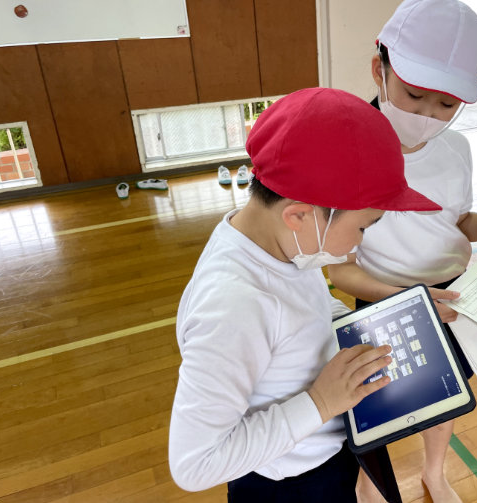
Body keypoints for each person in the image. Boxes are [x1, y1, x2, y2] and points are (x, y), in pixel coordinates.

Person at [168, 87, 443, 502]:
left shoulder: (281, 243)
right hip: (289, 483)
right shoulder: (234, 305)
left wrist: (397, 308)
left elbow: (311, 308)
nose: (360, 245)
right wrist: (319, 402)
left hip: (328, 442)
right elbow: (194, 463)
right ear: (299, 214)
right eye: (365, 227)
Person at [327, 1, 477, 501]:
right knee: (374, 405)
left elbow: (458, 222)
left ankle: (435, 471)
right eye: (415, 94)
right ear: (380, 69)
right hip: (384, 299)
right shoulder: (346, 152)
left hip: (456, 297)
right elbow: (341, 269)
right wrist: (405, 296)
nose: (427, 115)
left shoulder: (456, 150)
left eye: (446, 105)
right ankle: (371, 484)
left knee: (449, 396)